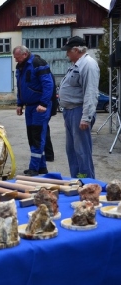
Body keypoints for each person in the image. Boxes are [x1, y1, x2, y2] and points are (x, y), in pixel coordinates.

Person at [59, 36, 99, 179]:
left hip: (79, 111)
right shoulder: (76, 64)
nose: (67, 54)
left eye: (68, 51)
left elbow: (91, 92)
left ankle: (88, 184)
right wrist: (67, 113)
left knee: (82, 151)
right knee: (72, 151)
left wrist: (86, 117)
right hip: (71, 112)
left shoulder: (88, 64)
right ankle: (77, 181)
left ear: (76, 50)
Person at [13, 45, 54, 176]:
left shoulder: (38, 63)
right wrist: (19, 103)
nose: (16, 60)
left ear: (24, 55)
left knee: (37, 136)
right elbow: (20, 86)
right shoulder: (20, 67)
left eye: (17, 57)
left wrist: (44, 103)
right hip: (30, 107)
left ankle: (34, 168)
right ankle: (42, 167)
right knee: (32, 136)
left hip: (39, 107)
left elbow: (48, 85)